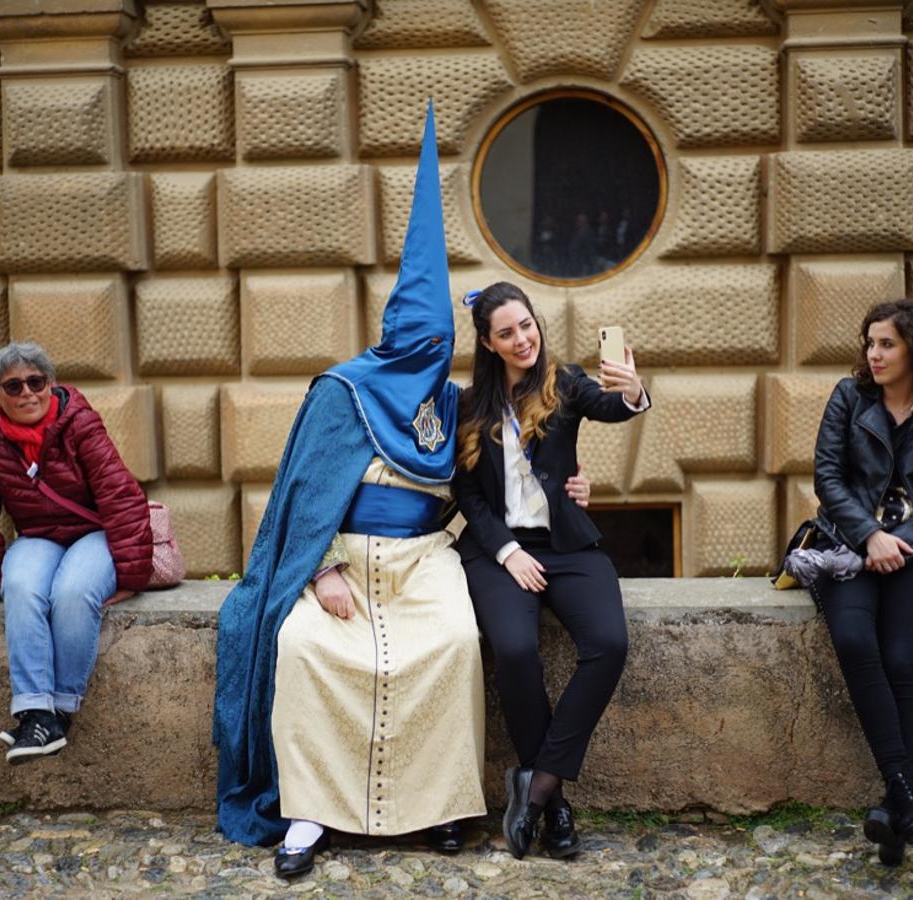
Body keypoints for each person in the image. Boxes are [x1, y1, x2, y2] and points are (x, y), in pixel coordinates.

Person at [212, 106, 593, 876]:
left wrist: (563, 482)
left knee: (453, 648)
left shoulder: (451, 404)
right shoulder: (340, 394)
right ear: (389, 337)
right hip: (342, 564)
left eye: (436, 347)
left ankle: (439, 811)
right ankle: (308, 816)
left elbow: (497, 471)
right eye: (412, 343)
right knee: (301, 649)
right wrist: (316, 571)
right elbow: (300, 501)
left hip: (426, 562)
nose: (424, 356)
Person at [454, 280, 649, 860]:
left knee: (609, 643)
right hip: (498, 554)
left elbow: (611, 407)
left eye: (527, 325)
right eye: (507, 333)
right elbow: (468, 496)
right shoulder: (468, 407)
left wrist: (634, 390)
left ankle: (537, 783)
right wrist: (507, 554)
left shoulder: (564, 385)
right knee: (514, 651)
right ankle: (557, 806)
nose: (522, 339)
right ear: (488, 343)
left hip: (566, 545)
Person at [809, 299, 913, 866]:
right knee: (855, 640)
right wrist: (870, 536)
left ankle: (890, 811)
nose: (873, 354)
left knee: (904, 659)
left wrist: (901, 542)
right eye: (870, 343)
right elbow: (827, 477)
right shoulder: (849, 398)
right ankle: (907, 794)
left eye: (887, 344)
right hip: (843, 546)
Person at [0, 342, 151, 764]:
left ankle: (58, 712)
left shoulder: (79, 422)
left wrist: (131, 576)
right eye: (14, 385)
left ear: (51, 384)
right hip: (40, 535)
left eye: (36, 381)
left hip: (94, 532)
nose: (27, 392)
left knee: (73, 591)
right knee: (21, 586)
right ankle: (34, 710)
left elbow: (120, 496)